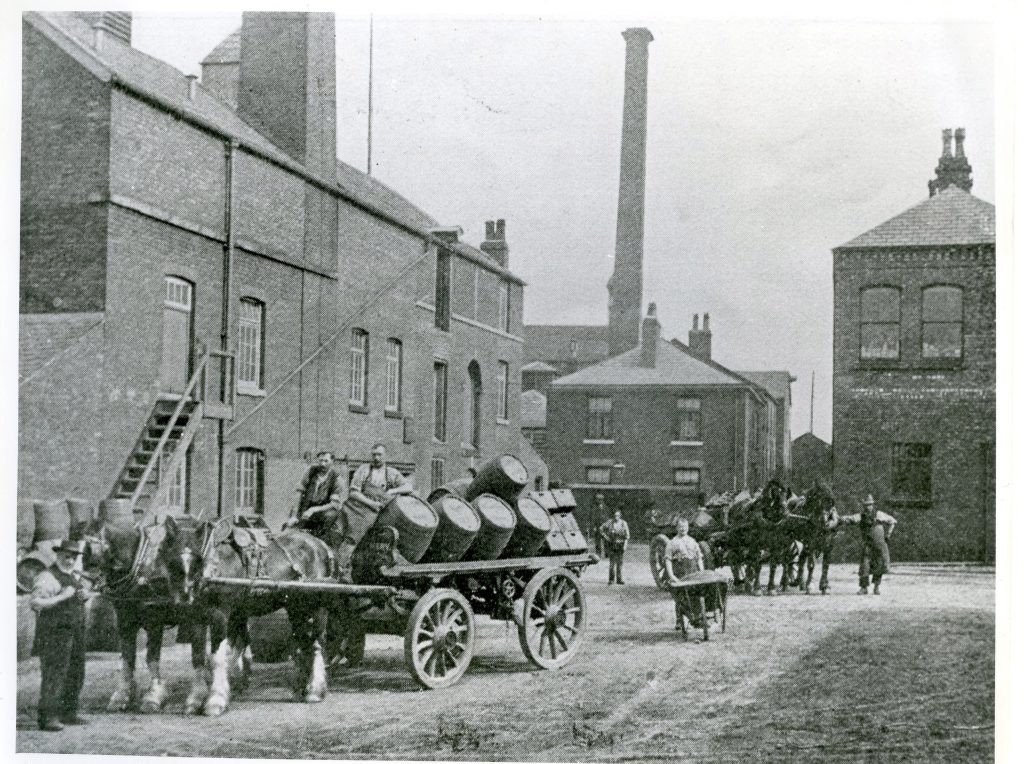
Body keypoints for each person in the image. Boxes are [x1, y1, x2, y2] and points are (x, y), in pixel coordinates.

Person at [30, 539, 90, 731]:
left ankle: (68, 713)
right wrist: (62, 597)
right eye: (66, 557)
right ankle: (48, 718)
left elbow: (76, 598)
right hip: (54, 634)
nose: (70, 561)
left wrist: (84, 596)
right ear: (57, 555)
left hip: (74, 632)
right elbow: (36, 603)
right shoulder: (47, 576)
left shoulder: (72, 576)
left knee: (75, 672)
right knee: (54, 675)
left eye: (73, 558)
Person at [337, 444, 414, 578]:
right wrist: (371, 503)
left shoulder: (391, 473)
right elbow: (354, 492)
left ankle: (340, 569)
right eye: (374, 455)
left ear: (385, 456)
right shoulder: (363, 470)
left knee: (353, 536)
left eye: (379, 455)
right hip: (356, 505)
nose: (376, 458)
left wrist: (393, 490)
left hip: (371, 513)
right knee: (336, 528)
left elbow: (408, 486)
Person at [841, 494, 897, 595]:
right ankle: (864, 588)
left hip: (879, 545)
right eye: (866, 505)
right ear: (863, 506)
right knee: (864, 566)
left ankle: (876, 587)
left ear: (873, 505)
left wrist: (888, 534)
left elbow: (892, 521)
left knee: (879, 566)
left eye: (870, 505)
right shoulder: (860, 516)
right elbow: (850, 519)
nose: (868, 507)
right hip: (868, 545)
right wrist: (841, 518)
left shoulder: (879, 514)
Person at [288, 450, 344, 548]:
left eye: (326, 461)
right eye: (320, 461)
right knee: (290, 530)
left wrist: (314, 510)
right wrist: (294, 515)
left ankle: (322, 543)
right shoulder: (310, 471)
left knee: (331, 515)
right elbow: (299, 492)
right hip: (306, 508)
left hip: (323, 511)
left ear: (332, 461)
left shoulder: (337, 478)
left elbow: (334, 504)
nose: (322, 464)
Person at [664, 518, 705, 630]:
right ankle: (679, 620)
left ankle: (697, 618)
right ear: (677, 528)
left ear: (688, 528)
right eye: (681, 527)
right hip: (680, 572)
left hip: (693, 571)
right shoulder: (672, 543)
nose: (683, 529)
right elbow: (668, 560)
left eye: (685, 527)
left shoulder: (692, 541)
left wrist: (702, 572)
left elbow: (699, 558)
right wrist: (672, 575)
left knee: (695, 594)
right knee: (680, 596)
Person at [600, 509, 630, 585]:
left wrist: (625, 546)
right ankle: (611, 579)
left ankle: (619, 579)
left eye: (617, 515)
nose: (616, 517)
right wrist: (606, 537)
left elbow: (627, 536)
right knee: (612, 563)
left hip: (620, 545)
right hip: (612, 544)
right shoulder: (610, 522)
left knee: (620, 563)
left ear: (620, 516)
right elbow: (601, 529)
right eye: (615, 515)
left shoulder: (623, 523)